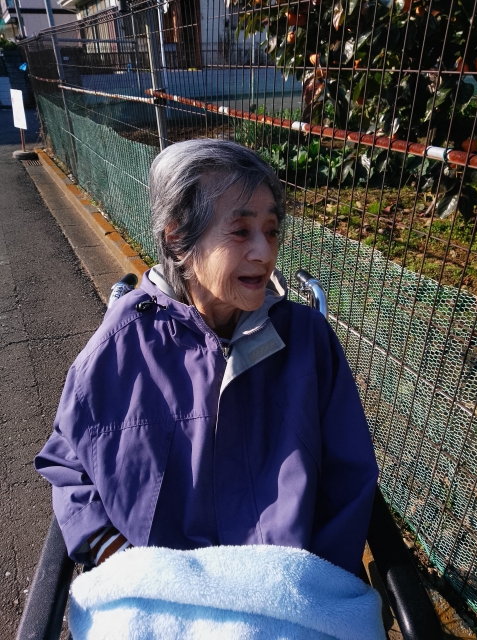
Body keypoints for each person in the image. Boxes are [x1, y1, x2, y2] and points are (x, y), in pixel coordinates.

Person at [35, 139, 378, 575]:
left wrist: (313, 583)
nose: (265, 252)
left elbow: (349, 478)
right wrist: (118, 556)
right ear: (178, 238)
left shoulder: (308, 341)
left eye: (271, 230)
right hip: (159, 590)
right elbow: (68, 457)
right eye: (241, 231)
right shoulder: (121, 344)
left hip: (290, 588)